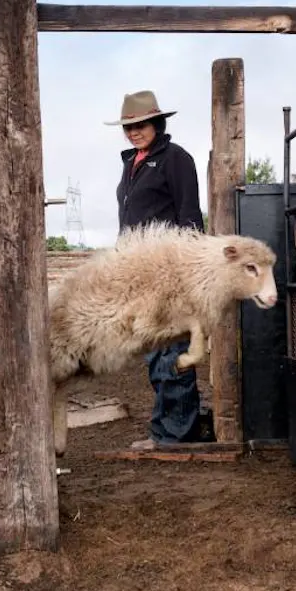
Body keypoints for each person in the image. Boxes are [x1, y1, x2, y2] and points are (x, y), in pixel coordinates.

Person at [107, 89, 213, 449]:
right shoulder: (131, 163)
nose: (134, 131)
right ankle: (170, 428)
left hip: (168, 272)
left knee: (172, 351)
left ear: (156, 122)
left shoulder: (175, 159)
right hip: (140, 274)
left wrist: (188, 272)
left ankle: (175, 435)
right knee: (155, 353)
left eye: (141, 124)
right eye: (128, 126)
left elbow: (189, 216)